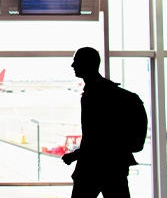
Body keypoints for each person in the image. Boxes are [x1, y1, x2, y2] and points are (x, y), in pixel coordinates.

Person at [62, 47, 146, 198]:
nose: (72, 65)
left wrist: (76, 155)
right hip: (114, 166)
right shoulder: (114, 94)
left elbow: (99, 138)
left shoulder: (93, 96)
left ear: (88, 63)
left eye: (76, 61)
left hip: (94, 167)